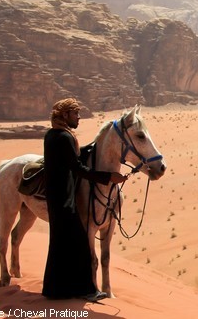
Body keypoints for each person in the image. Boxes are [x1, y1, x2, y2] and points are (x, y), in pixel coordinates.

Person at [41, 98, 127, 301]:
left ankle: (54, 291)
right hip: (64, 199)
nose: (79, 117)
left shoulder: (52, 135)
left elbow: (71, 160)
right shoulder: (65, 138)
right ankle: (87, 290)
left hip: (55, 197)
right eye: (75, 113)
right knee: (80, 245)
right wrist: (108, 177)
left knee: (59, 245)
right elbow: (78, 168)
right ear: (64, 115)